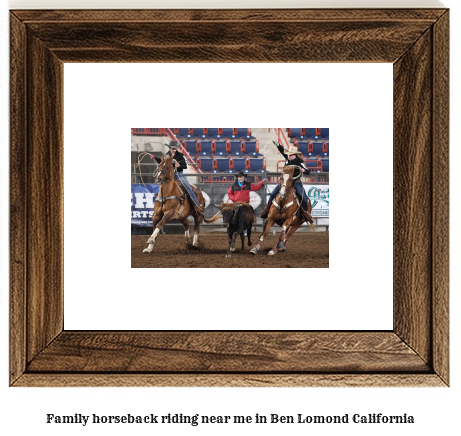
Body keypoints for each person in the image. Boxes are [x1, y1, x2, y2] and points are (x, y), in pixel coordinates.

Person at [260, 141, 313, 222]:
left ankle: (305, 214)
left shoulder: (300, 162)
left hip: (296, 182)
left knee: (304, 198)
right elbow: (282, 150)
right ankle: (267, 210)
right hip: (285, 182)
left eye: (290, 154)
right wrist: (278, 145)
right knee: (273, 194)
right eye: (288, 154)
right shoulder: (288, 157)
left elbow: (308, 171)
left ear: (294, 155)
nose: (288, 155)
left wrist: (303, 170)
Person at [151, 140, 203, 216]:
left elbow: (185, 165)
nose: (174, 149)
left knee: (189, 189)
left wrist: (179, 165)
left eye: (175, 148)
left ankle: (197, 207)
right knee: (161, 188)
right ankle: (159, 208)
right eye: (172, 148)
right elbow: (163, 163)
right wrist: (155, 158)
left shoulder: (180, 155)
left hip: (179, 175)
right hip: (169, 176)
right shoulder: (167, 155)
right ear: (169, 148)